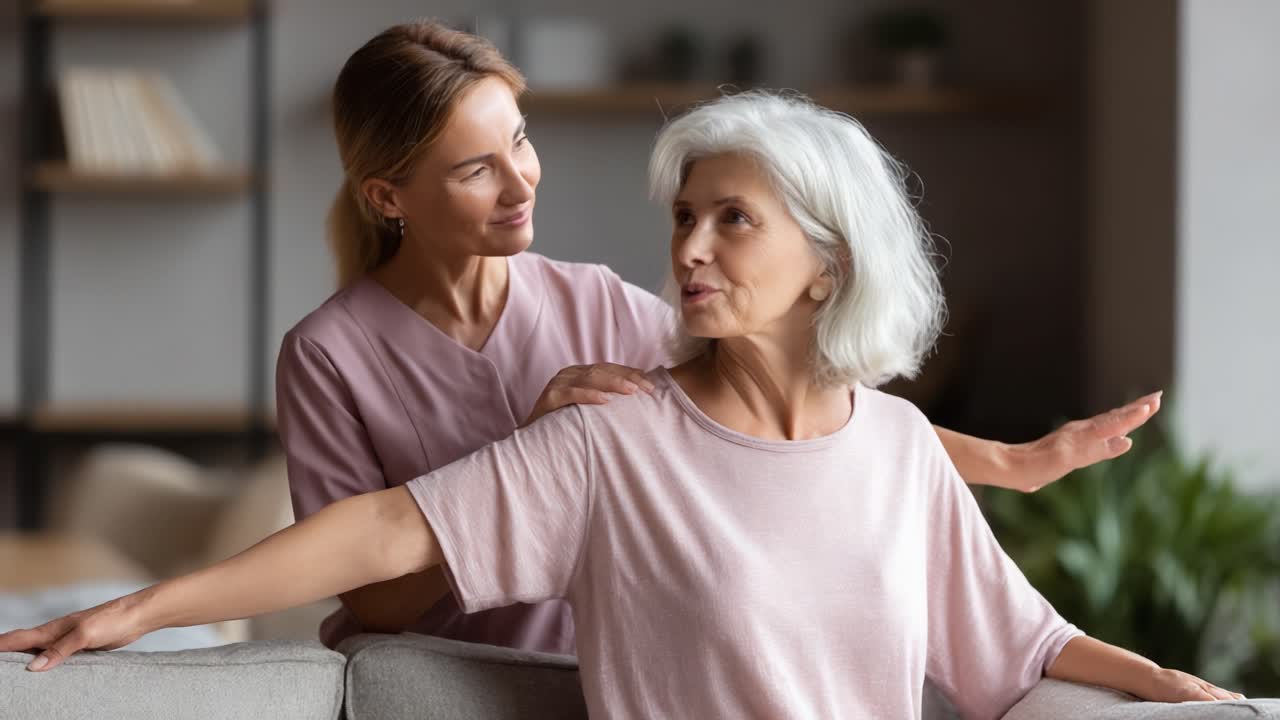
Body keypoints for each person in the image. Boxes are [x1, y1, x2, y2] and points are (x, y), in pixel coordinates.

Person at [1, 91, 1238, 719]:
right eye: (682, 218)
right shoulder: (608, 437)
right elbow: (380, 533)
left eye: (730, 219)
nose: (689, 247)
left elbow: (1016, 648)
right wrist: (137, 614)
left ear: (829, 260)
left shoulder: (899, 448)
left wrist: (1189, 692)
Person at [280, 20, 1161, 654]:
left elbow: (812, 417)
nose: (521, 184)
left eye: (521, 141)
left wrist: (1010, 464)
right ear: (387, 198)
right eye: (477, 169)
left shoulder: (596, 303)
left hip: (578, 675)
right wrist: (525, 462)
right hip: (425, 680)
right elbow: (377, 601)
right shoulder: (328, 355)